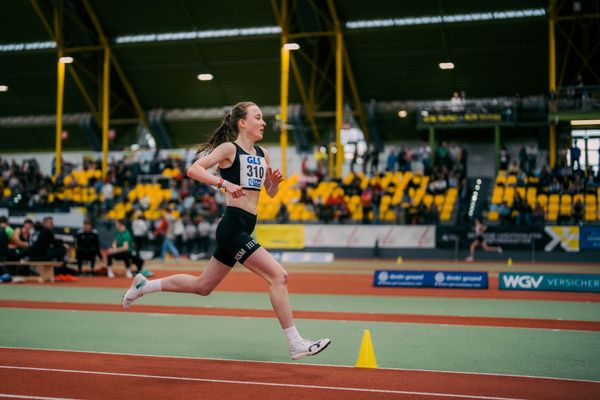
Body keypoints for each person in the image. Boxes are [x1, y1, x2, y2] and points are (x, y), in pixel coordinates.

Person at [121, 102, 331, 360]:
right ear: (243, 123)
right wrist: (223, 183)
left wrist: (274, 184)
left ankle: (145, 286)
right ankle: (295, 343)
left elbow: (269, 193)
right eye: (258, 117)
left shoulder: (263, 154)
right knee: (279, 276)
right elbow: (193, 169)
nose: (264, 122)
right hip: (232, 227)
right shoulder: (229, 149)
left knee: (203, 286)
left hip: (246, 224)